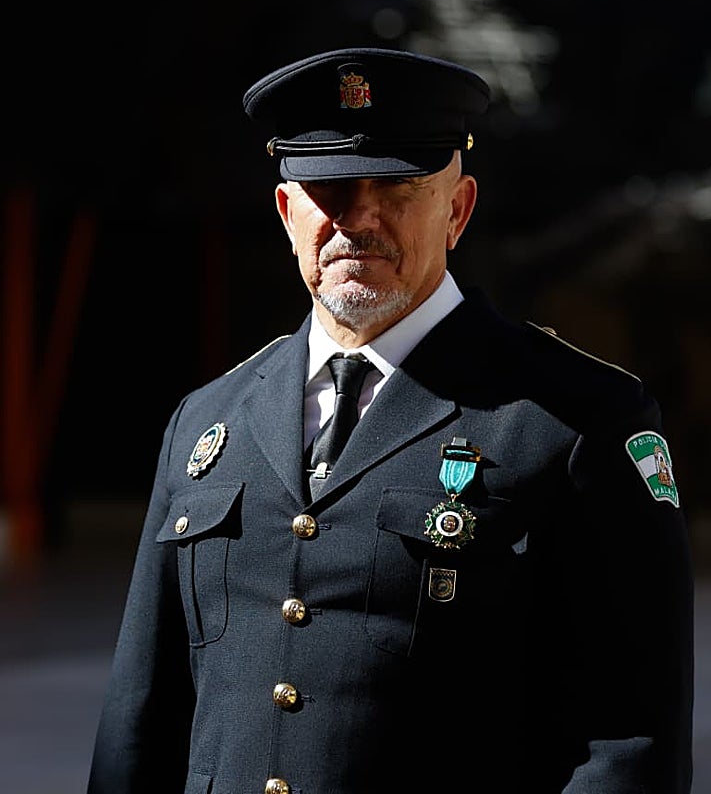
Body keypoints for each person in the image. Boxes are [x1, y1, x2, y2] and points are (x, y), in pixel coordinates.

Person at [86, 47, 694, 794]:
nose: (359, 216)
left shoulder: (573, 420)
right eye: (329, 188)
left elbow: (627, 745)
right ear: (286, 211)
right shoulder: (207, 421)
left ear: (458, 209)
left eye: (397, 185)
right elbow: (140, 719)